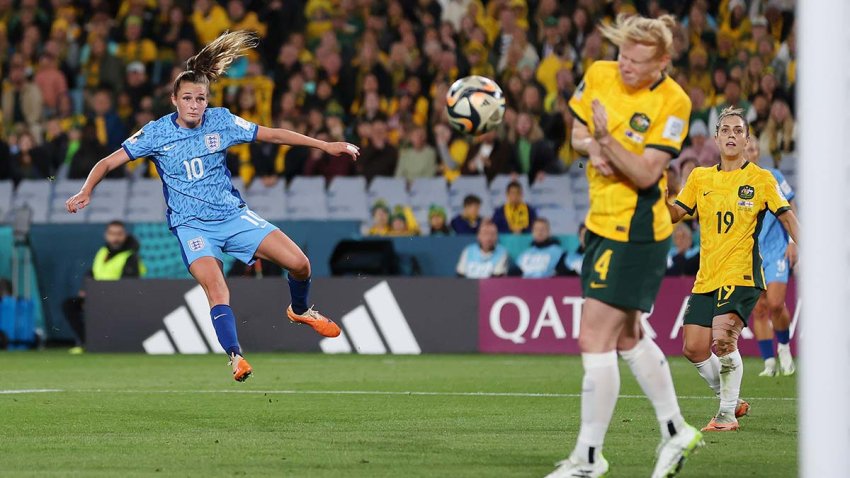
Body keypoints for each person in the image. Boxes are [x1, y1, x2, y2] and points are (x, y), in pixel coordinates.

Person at [65, 32, 360, 382]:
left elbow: (275, 134)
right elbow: (108, 162)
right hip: (192, 227)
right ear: (174, 99)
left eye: (200, 98)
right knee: (218, 288)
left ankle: (299, 310)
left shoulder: (221, 121)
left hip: (233, 216)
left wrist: (325, 145)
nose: (194, 104)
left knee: (300, 264)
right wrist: (87, 189)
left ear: (207, 101)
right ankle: (236, 357)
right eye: (187, 98)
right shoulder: (156, 133)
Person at [548, 14, 701, 478]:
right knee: (628, 335)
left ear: (663, 62)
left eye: (637, 61)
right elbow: (575, 136)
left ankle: (589, 458)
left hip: (636, 233)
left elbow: (644, 173)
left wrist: (606, 140)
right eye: (622, 55)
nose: (625, 66)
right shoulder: (599, 74)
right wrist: (593, 147)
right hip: (599, 224)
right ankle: (675, 429)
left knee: (594, 337)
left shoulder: (674, 102)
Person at [667, 107, 800, 432]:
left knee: (724, 339)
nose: (731, 135)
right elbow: (673, 215)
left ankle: (726, 415)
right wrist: (659, 193)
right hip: (706, 277)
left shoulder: (761, 178)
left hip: (742, 273)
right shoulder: (700, 177)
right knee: (694, 347)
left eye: (737, 130)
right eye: (725, 129)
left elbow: (786, 216)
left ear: (746, 139)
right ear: (716, 138)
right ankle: (732, 400)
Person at [745, 134, 798, 377]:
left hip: (776, 247)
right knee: (759, 309)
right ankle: (768, 362)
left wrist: (792, 241)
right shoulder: (734, 182)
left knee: (776, 303)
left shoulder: (773, 176)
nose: (752, 152)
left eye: (755, 148)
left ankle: (785, 348)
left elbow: (791, 206)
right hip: (751, 253)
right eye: (748, 148)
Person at [62, 221, 146, 354]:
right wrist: (86, 289)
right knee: (69, 305)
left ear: (125, 235)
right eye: (112, 234)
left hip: (117, 300)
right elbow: (92, 272)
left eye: (119, 234)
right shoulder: (102, 252)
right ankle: (85, 341)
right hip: (97, 297)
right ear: (106, 235)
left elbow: (128, 285)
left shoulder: (130, 256)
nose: (115, 238)